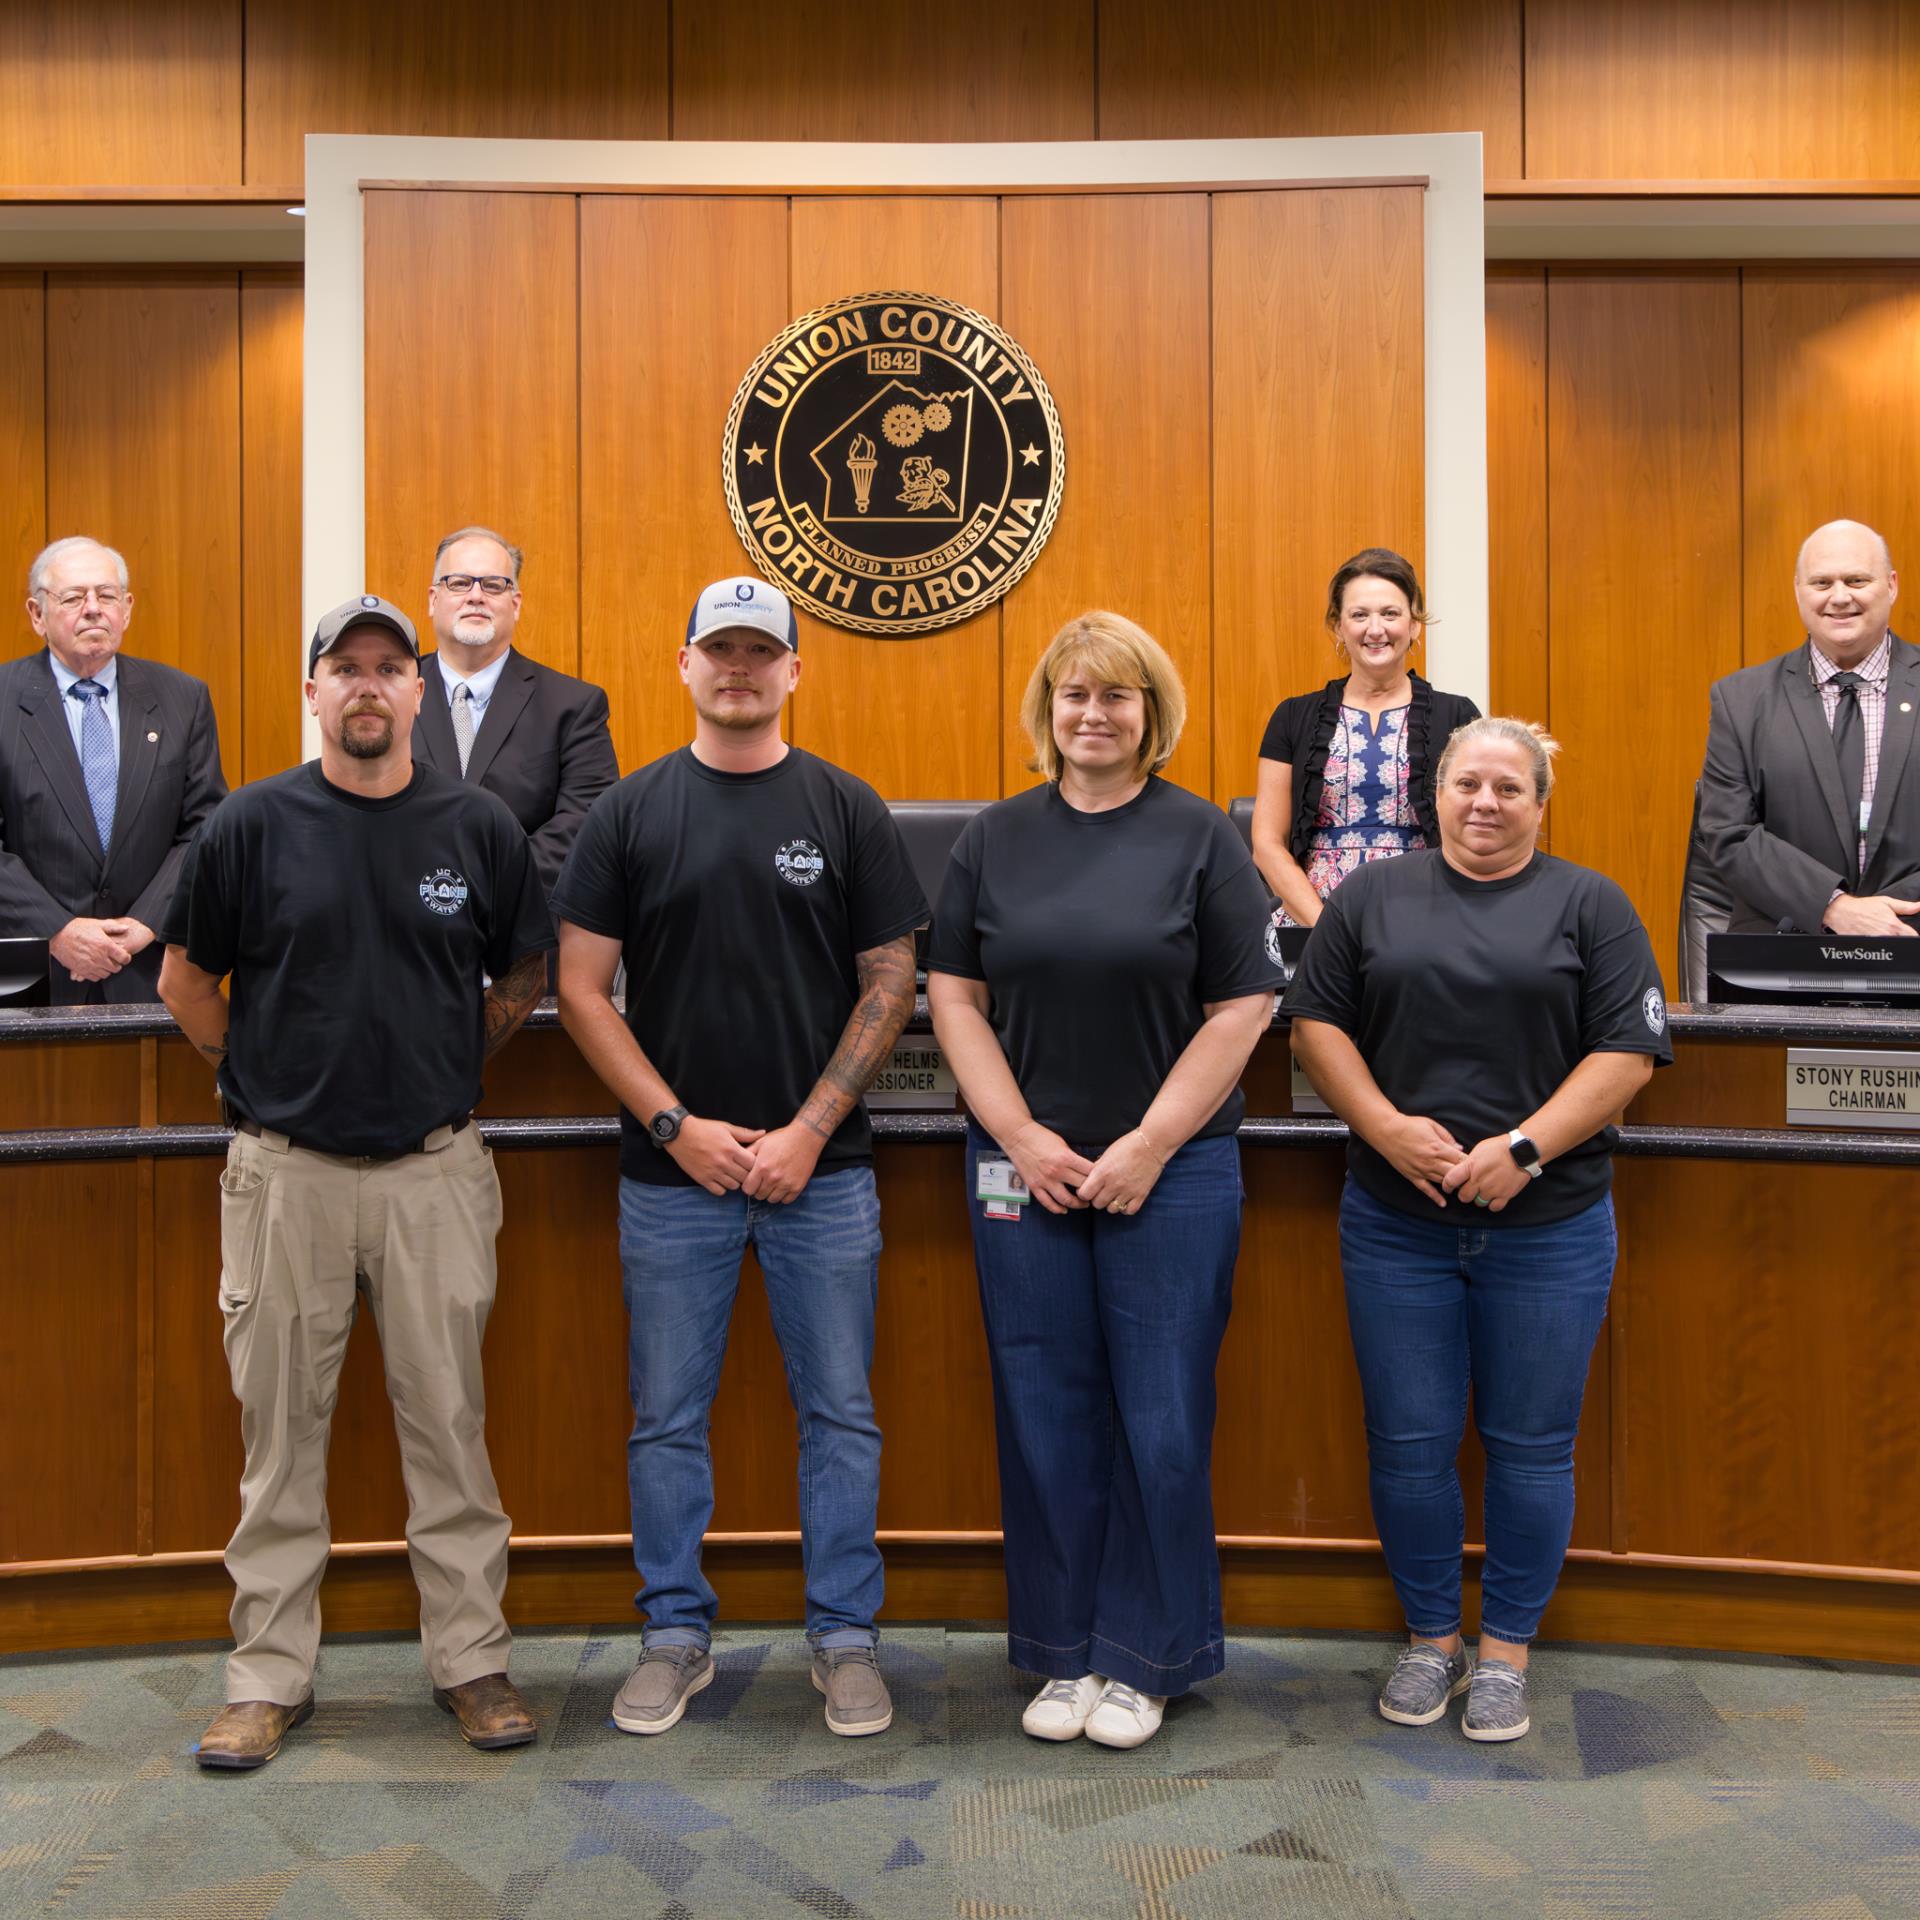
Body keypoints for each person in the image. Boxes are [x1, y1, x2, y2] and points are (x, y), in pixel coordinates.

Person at [158, 595, 554, 1770]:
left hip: (435, 1173)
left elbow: (524, 969)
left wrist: (442, 1061)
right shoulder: (251, 824)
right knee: (279, 1442)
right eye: (347, 669)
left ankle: (472, 1665)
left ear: (418, 693)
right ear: (314, 693)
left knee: (451, 1431)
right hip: (287, 1176)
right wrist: (263, 1073)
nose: (369, 687)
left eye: (391, 668)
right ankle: (267, 1680)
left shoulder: (476, 824)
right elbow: (186, 981)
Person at [553, 576, 925, 1740]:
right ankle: (674, 1633)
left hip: (827, 1177)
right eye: (720, 650)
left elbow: (891, 981)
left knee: (843, 1415)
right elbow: (578, 988)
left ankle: (845, 1639)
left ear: (795, 671)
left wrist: (810, 1129)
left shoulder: (846, 806)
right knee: (666, 1416)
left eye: (762, 653)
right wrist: (679, 1128)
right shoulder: (629, 812)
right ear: (685, 663)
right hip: (673, 1180)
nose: (740, 671)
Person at [926, 611, 1282, 1752]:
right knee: (1042, 1408)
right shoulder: (992, 839)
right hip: (1018, 1170)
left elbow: (1246, 1007)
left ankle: (1148, 1657)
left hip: (1169, 1174)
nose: (1094, 714)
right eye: (1075, 694)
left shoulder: (1200, 839)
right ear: (1048, 710)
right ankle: (1063, 1650)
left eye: (1117, 696)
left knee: (1163, 1414)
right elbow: (955, 1001)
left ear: (1150, 713)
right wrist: (1023, 1137)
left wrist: (1149, 1145)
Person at [1287, 716, 1671, 1743]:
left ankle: (1504, 1651)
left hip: (1548, 1225)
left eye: (1509, 786)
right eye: (1466, 783)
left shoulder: (1591, 905)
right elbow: (1314, 1023)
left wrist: (1527, 1148)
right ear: (1435, 793)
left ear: (1541, 803)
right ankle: (1429, 1639)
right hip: (1395, 1222)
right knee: (1408, 1445)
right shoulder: (1369, 897)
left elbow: (1627, 1051)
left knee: (1532, 1447)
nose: (1485, 802)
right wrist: (1381, 1125)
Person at [0, 536, 225, 1001]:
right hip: (31, 975)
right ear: (37, 614)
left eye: (106, 596)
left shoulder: (183, 699)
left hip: (150, 967)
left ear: (127, 609)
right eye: (72, 597)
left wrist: (147, 920)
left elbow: (205, 828)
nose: (92, 609)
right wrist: (58, 930)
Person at [1699, 518, 1920, 936]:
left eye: (1856, 579)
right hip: (1785, 952)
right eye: (1821, 583)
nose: (1840, 597)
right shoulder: (1741, 700)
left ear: (1891, 586)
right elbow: (1728, 832)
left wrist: (1891, 914)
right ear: (1798, 592)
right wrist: (1834, 907)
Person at [1251, 548, 1479, 926]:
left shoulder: (1458, 716)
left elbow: (1475, 832)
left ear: (1414, 623)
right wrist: (1326, 931)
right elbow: (1266, 844)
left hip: (1431, 916)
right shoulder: (1291, 716)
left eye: (1390, 613)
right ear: (1338, 626)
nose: (1376, 629)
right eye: (1359, 615)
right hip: (1314, 918)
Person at [416, 526, 619, 899]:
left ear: (516, 603)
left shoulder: (573, 706)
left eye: (494, 585)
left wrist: (487, 889)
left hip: (523, 931)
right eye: (459, 583)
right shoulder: (390, 696)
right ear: (433, 600)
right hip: (405, 929)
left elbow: (584, 824)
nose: (476, 596)